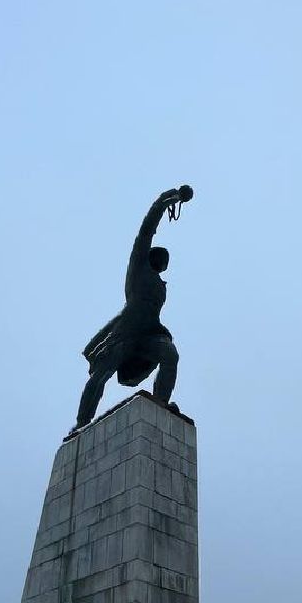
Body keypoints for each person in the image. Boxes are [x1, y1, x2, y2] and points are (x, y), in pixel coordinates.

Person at [74, 185, 193, 432]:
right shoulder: (139, 268)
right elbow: (146, 230)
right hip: (126, 332)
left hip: (149, 333)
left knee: (170, 355)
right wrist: (166, 200)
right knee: (102, 374)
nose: (164, 263)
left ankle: (160, 402)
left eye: (167, 261)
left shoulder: (161, 286)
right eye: (162, 258)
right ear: (151, 257)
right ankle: (81, 424)